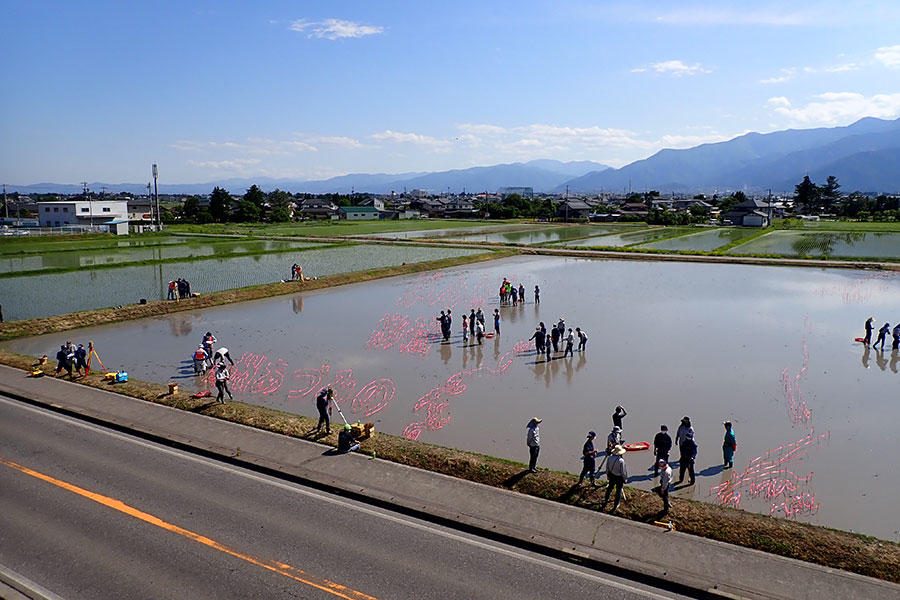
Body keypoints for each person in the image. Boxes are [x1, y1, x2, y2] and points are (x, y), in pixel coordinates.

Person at [601, 445, 628, 512]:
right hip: (619, 477)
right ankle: (616, 504)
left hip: (612, 475)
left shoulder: (609, 458)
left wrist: (608, 475)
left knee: (609, 488)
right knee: (618, 491)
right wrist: (625, 479)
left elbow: (607, 468)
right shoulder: (621, 461)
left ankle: (606, 500)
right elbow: (623, 471)